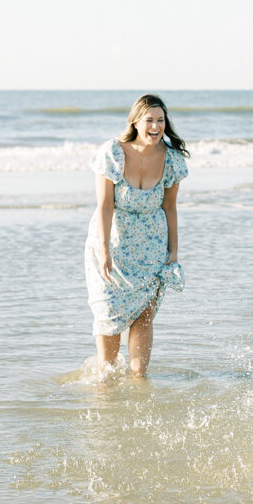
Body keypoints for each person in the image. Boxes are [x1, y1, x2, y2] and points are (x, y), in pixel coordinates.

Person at [85, 94, 189, 377]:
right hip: (113, 245)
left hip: (151, 247)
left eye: (161, 121)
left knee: (144, 314)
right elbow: (105, 206)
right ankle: (105, 377)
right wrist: (104, 250)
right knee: (109, 315)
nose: (155, 127)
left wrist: (173, 253)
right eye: (149, 120)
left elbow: (169, 207)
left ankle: (138, 379)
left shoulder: (172, 160)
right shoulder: (113, 153)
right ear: (136, 122)